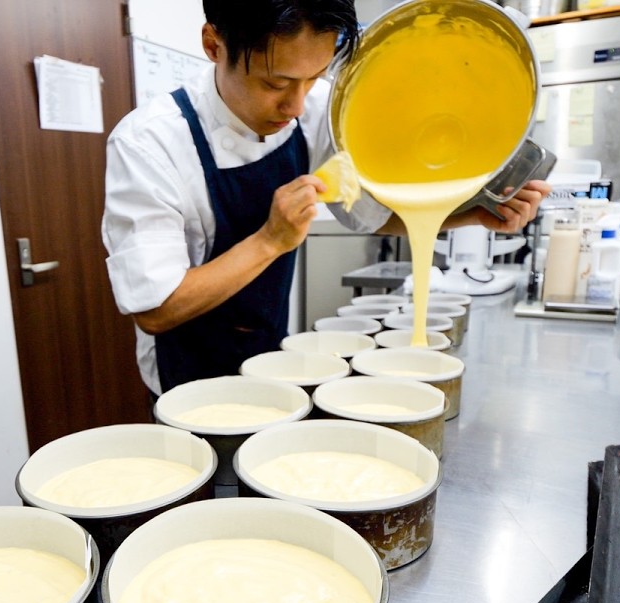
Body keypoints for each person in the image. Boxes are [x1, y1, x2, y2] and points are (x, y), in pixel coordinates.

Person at [102, 0, 550, 395]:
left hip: (274, 363)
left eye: (314, 78)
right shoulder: (149, 143)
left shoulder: (316, 115)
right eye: (276, 84)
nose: (296, 105)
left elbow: (368, 215)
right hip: (186, 385)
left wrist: (471, 216)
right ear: (214, 45)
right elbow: (157, 309)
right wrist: (270, 241)